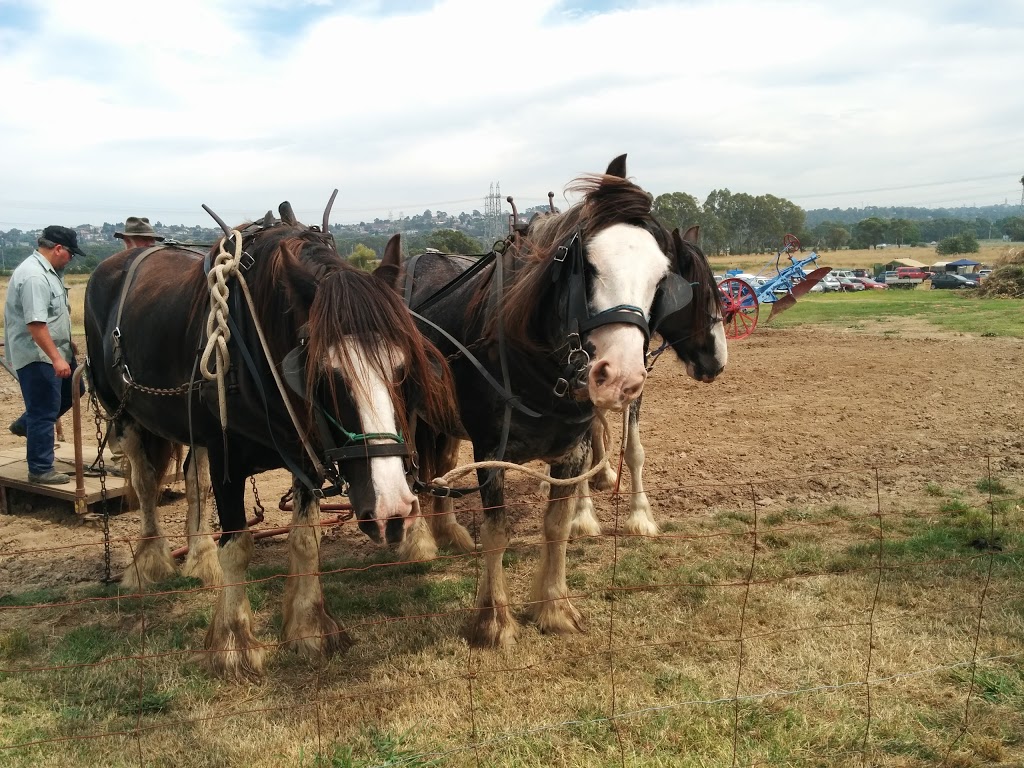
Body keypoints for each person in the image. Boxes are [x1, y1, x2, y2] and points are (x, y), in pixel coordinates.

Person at [4, 226, 86, 484]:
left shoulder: (51, 273)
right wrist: (56, 358)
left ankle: (26, 424)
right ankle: (40, 469)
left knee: (75, 390)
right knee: (44, 409)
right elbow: (36, 324)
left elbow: (53, 315)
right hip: (37, 354)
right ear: (58, 249)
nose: (71, 259)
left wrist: (67, 342)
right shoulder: (34, 277)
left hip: (53, 348)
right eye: (71, 253)